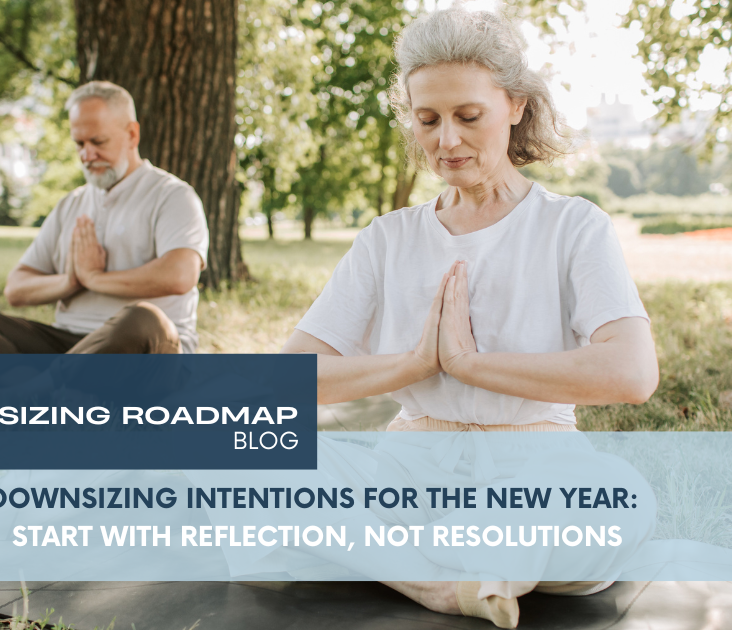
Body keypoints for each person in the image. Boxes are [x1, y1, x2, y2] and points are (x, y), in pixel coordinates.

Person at [281, 8, 660, 629]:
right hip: (406, 479)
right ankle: (438, 582)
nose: (446, 141)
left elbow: (632, 373)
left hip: (537, 480)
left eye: (468, 117)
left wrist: (469, 365)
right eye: (427, 120)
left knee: (626, 500)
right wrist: (412, 365)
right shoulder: (387, 238)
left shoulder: (572, 226)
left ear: (515, 105)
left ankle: (420, 559)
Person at [0, 81, 209, 355]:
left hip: (143, 347)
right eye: (79, 143)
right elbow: (16, 289)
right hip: (70, 345)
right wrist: (71, 282)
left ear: (132, 134)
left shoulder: (172, 196)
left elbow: (180, 275)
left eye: (98, 141)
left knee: (144, 319)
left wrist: (95, 278)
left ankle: (38, 389)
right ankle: (57, 388)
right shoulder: (71, 204)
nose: (87, 155)